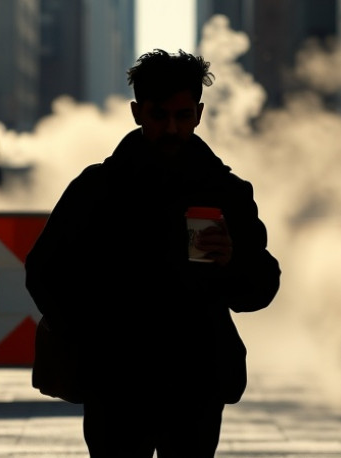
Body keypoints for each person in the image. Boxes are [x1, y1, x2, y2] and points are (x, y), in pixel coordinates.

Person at [25, 49, 281, 457]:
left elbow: (261, 287)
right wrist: (88, 339)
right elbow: (44, 271)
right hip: (116, 383)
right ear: (137, 112)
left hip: (197, 380)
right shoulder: (97, 189)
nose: (172, 128)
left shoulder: (226, 192)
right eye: (160, 115)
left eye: (183, 115)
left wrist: (233, 260)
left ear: (199, 114)